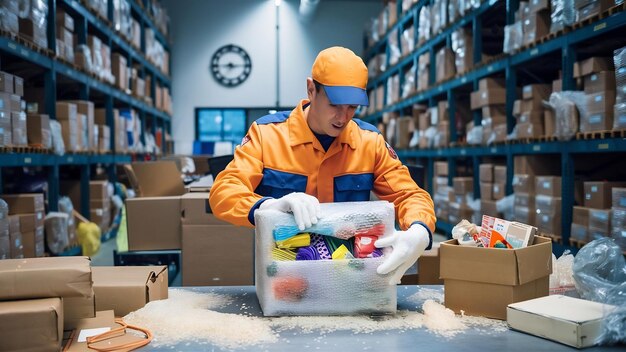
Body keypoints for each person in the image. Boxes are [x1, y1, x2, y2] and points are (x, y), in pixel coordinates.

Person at [209, 46, 436, 284]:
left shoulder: (370, 142)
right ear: (311, 89)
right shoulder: (267, 136)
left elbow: (409, 194)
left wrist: (419, 230)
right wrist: (269, 206)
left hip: (349, 275)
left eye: (352, 107)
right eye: (335, 104)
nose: (343, 117)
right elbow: (224, 192)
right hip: (282, 276)